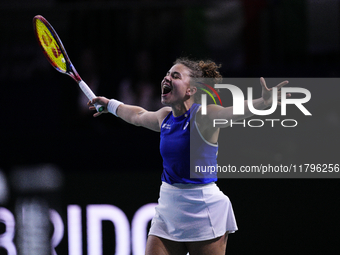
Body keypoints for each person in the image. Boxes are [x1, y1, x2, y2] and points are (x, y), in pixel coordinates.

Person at [88, 58, 289, 255]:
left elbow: (231, 113)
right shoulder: (164, 117)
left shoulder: (204, 116)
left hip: (203, 209)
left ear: (190, 90)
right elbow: (138, 116)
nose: (166, 78)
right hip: (168, 208)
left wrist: (263, 102)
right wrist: (110, 105)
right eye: (167, 74)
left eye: (175, 76)